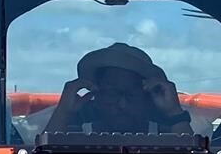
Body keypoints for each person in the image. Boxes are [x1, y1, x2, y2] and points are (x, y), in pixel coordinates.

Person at [41, 42, 191, 135]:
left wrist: (174, 113)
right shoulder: (72, 134)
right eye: (112, 94)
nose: (122, 104)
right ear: (96, 96)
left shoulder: (168, 136)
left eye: (132, 95)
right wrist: (63, 112)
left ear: (147, 98)